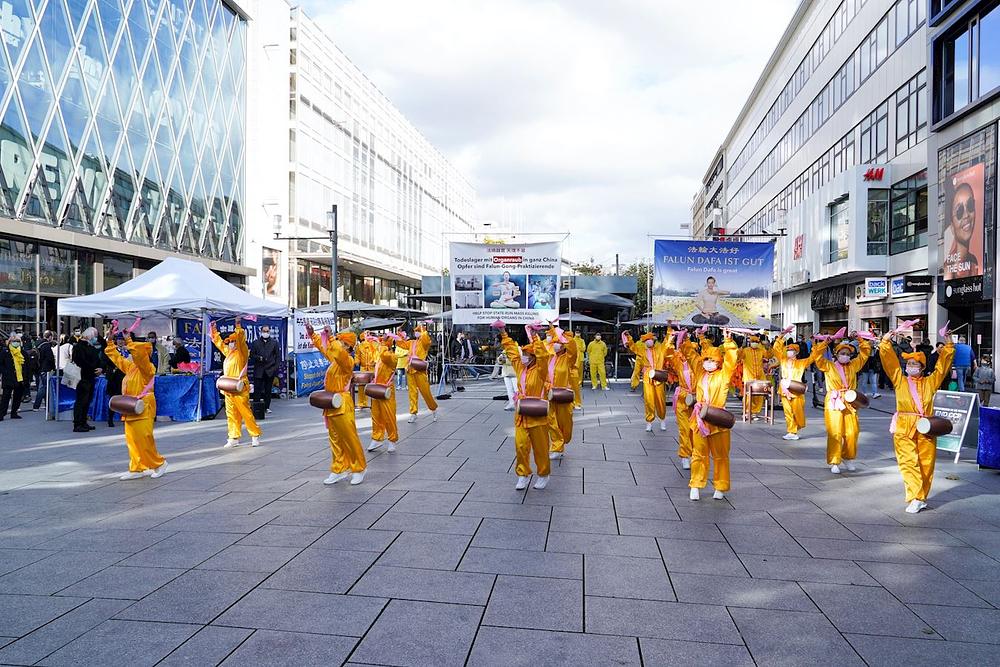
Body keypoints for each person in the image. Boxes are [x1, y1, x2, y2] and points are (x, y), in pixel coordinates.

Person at [879, 333, 955, 513]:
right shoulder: (899, 380)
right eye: (909, 364)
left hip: (926, 426)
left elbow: (942, 367)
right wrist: (885, 342)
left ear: (922, 367)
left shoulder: (931, 381)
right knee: (908, 461)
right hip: (904, 426)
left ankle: (921, 497)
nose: (911, 367)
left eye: (915, 364)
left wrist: (949, 344)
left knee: (926, 463)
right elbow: (890, 362)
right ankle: (915, 496)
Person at [103, 324, 168, 480]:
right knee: (132, 439)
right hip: (131, 407)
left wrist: (129, 341)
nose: (130, 354)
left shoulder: (148, 368)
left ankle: (159, 463)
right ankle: (137, 467)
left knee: (144, 438)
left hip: (143, 406)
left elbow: (139, 355)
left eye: (132, 352)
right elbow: (117, 358)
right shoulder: (131, 367)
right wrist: (110, 342)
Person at [308, 324, 366, 484]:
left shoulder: (347, 361)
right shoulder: (335, 360)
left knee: (349, 437)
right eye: (338, 341)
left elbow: (338, 353)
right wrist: (313, 335)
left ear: (348, 346)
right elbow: (325, 348)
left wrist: (332, 337)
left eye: (342, 342)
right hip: (331, 403)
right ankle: (339, 468)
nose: (339, 344)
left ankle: (359, 468)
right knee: (335, 438)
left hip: (342, 403)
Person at [685, 331, 738, 500]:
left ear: (718, 362)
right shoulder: (700, 373)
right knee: (698, 453)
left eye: (712, 360)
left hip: (718, 419)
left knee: (721, 455)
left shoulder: (724, 376)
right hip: (700, 419)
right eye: (706, 360)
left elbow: (732, 360)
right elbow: (691, 356)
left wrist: (728, 341)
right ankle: (695, 484)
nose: (708, 363)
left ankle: (720, 486)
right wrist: (683, 339)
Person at [498, 322, 552, 489]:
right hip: (522, 414)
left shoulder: (541, 370)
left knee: (541, 448)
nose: (523, 357)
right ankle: (523, 474)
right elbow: (512, 352)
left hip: (538, 414)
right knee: (520, 446)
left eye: (527, 354)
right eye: (524, 354)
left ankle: (543, 474)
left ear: (533, 356)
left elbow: (543, 355)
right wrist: (503, 333)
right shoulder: (520, 367)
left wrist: (535, 336)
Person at [813, 336, 871, 474]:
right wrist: (825, 342)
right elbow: (816, 356)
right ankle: (834, 460)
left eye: (848, 354)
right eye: (842, 354)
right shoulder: (828, 365)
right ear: (836, 354)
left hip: (850, 401)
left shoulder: (853, 365)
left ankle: (848, 457)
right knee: (836, 432)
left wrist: (860, 340)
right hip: (834, 400)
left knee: (852, 432)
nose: (845, 356)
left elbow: (865, 353)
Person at [210, 317, 261, 447]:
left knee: (245, 412)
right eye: (230, 342)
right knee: (231, 413)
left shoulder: (242, 353)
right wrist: (213, 329)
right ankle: (233, 437)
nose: (231, 343)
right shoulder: (228, 353)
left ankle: (254, 435)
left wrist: (238, 325)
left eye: (233, 341)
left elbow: (241, 340)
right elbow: (218, 342)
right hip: (229, 388)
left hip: (240, 387)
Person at [772, 337, 822, 440]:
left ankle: (797, 427)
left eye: (792, 350)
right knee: (788, 412)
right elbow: (776, 349)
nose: (790, 352)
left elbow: (814, 357)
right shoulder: (783, 360)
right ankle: (791, 431)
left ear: (796, 352)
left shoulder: (802, 362)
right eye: (788, 350)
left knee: (798, 412)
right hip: (785, 389)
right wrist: (781, 337)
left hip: (796, 389)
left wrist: (814, 345)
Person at [624, 330, 670, 432]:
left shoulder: (660, 349)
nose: (649, 342)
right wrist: (628, 337)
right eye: (646, 340)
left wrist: (669, 330)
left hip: (658, 376)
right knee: (649, 401)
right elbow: (633, 347)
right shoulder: (642, 350)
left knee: (661, 400)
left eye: (650, 339)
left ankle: (662, 419)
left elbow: (667, 342)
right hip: (647, 377)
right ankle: (649, 422)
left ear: (653, 340)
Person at [366, 333, 402, 453]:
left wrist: (382, 343)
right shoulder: (382, 352)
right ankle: (377, 437)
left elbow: (383, 354)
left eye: (385, 339)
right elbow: (376, 354)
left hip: (387, 389)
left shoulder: (392, 357)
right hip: (377, 388)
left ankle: (392, 440)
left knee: (389, 416)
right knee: (376, 415)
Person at [547, 326, 578, 459]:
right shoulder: (550, 357)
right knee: (550, 421)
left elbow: (573, 349)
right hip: (549, 394)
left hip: (564, 395)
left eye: (559, 343)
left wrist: (565, 337)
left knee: (565, 423)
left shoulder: (569, 358)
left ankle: (562, 442)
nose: (556, 345)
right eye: (555, 343)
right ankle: (557, 446)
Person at [668, 328, 697, 469]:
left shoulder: (698, 364)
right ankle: (685, 455)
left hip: (697, 400)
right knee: (684, 429)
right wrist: (670, 337)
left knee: (695, 430)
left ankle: (694, 454)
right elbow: (666, 354)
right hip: (682, 398)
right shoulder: (677, 361)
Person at [944, 181, 980, 280]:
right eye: (959, 211)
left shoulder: (973, 261)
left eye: (970, 205)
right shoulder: (948, 268)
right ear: (952, 227)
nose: (966, 215)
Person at [405, 324, 438, 423]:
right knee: (412, 393)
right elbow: (401, 343)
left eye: (418, 330)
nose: (416, 332)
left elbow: (427, 340)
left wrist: (423, 330)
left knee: (425, 392)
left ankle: (433, 409)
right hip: (410, 369)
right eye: (416, 331)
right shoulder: (411, 342)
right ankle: (413, 413)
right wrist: (400, 334)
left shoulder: (424, 343)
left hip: (420, 369)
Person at [72, 327, 102, 432]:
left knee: (87, 400)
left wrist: (99, 368)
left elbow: (97, 359)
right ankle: (77, 423)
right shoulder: (79, 347)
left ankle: (83, 421)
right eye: (95, 336)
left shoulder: (90, 346)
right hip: (82, 378)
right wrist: (94, 367)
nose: (96, 338)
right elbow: (81, 362)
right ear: (89, 336)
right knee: (81, 401)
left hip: (90, 377)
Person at [740, 335, 774, 420]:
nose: (754, 343)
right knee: (748, 396)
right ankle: (747, 411)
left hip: (760, 376)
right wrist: (741, 347)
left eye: (756, 342)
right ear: (750, 342)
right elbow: (738, 357)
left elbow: (768, 356)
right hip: (749, 376)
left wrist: (768, 348)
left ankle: (755, 412)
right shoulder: (745, 350)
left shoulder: (761, 350)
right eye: (753, 341)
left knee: (759, 396)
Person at [250, 325, 281, 414]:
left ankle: (267, 407)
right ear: (261, 332)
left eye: (267, 331)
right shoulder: (256, 343)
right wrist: (258, 358)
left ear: (269, 332)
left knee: (268, 390)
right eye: (264, 331)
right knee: (257, 390)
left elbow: (278, 357)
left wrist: (275, 368)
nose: (266, 333)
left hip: (270, 370)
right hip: (259, 370)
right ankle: (256, 407)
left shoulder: (274, 342)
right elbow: (252, 355)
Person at [0, 334, 28, 420]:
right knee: (6, 396)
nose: (16, 343)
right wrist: (5, 372)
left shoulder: (22, 352)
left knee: (18, 396)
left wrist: (27, 377)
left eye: (18, 341)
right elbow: (1, 364)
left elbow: (27, 365)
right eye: (14, 341)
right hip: (9, 378)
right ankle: (2, 413)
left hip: (20, 378)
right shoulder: (5, 352)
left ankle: (14, 412)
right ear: (10, 342)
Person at [102, 334, 126, 427]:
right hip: (114, 377)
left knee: (124, 398)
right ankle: (110, 418)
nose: (121, 341)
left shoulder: (127, 350)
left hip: (125, 377)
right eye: (119, 339)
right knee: (113, 398)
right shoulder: (112, 349)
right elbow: (106, 360)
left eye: (122, 339)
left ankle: (125, 417)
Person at [31, 331, 56, 412]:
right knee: (43, 388)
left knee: (44, 387)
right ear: (50, 337)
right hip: (46, 369)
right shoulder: (47, 345)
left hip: (39, 368)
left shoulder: (38, 343)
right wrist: (54, 367)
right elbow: (50, 358)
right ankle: (37, 406)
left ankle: (46, 405)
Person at [572, 330, 585, 408]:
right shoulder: (572, 340)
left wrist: (578, 347)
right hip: (574, 359)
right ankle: (575, 383)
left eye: (578, 333)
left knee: (580, 372)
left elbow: (584, 349)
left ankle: (579, 384)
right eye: (576, 332)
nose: (577, 334)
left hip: (581, 358)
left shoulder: (582, 340)